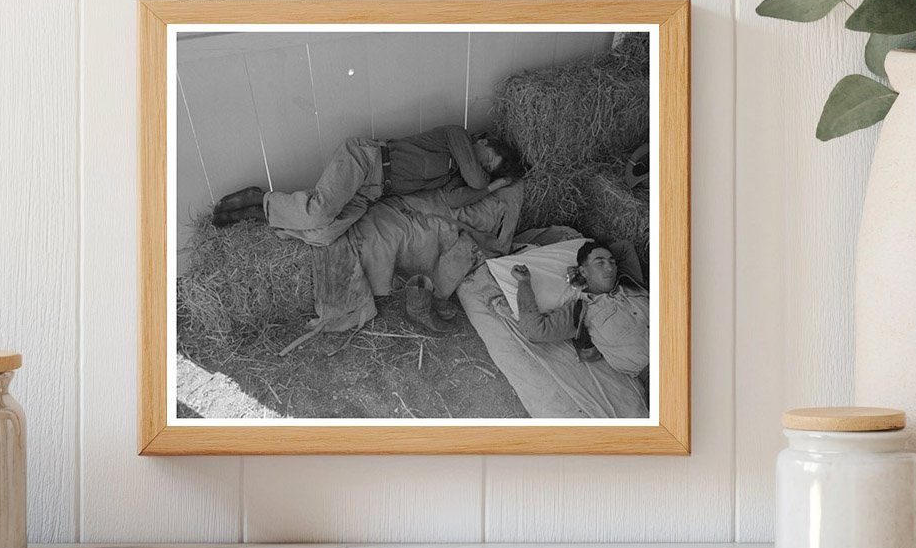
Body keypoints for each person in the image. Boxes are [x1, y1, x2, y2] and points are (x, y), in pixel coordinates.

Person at [212, 125, 520, 245]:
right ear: (483, 141)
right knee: (318, 213)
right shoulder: (457, 136)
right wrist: (490, 180)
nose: (482, 167)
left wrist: (494, 188)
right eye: (487, 158)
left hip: (372, 192)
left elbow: (455, 201)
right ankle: (260, 198)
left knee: (325, 234)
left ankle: (267, 217)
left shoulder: (455, 176)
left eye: (488, 168)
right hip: (366, 161)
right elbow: (477, 179)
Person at [512, 239, 649, 391]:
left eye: (612, 262)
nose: (610, 268)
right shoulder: (580, 310)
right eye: (600, 263)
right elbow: (534, 331)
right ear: (583, 271)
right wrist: (524, 282)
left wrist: (588, 268)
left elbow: (624, 247)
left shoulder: (628, 281)